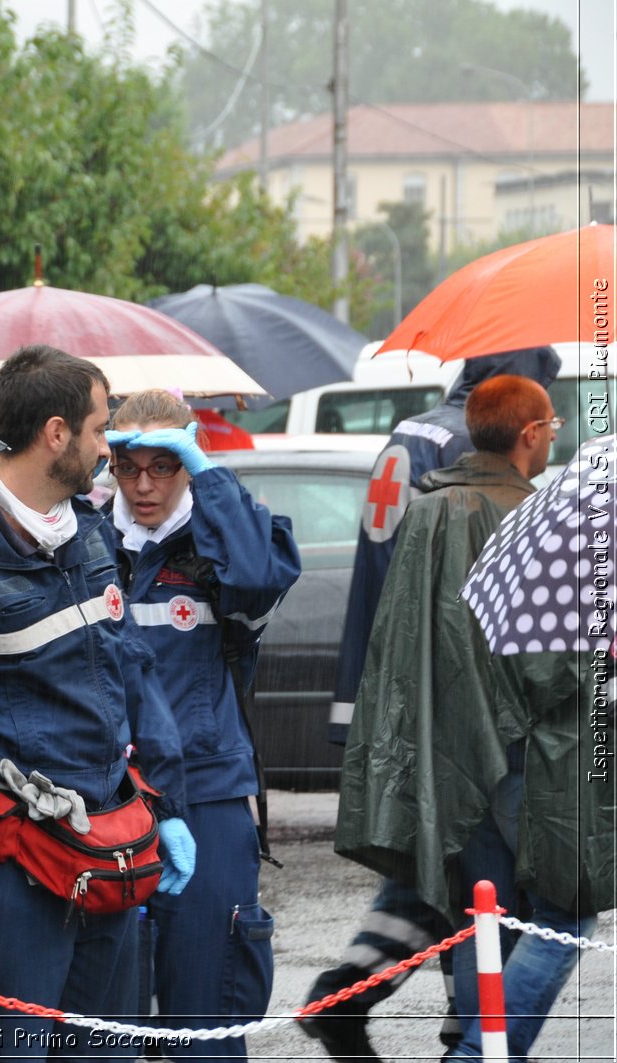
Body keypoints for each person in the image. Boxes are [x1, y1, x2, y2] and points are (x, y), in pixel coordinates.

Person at [0, 346, 195, 1059]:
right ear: (56, 434)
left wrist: (165, 809)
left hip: (105, 862)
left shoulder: (87, 535)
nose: (108, 448)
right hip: (8, 880)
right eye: (99, 429)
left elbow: (130, 675)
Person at [332, 376, 602, 1062]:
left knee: (477, 909)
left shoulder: (428, 509)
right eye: (552, 427)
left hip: (443, 742)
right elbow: (545, 666)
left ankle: (472, 1043)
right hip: (515, 750)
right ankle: (480, 1050)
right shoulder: (528, 515)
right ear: (531, 434)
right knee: (557, 911)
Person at [108, 390, 300, 1059]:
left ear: (188, 464)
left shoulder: (223, 541)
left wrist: (212, 472)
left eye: (165, 465)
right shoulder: (90, 541)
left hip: (209, 791)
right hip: (111, 795)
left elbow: (257, 577)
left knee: (207, 1008)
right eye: (129, 466)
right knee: (110, 1016)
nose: (144, 484)